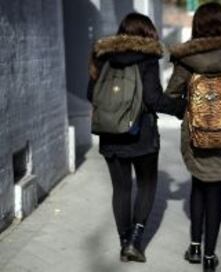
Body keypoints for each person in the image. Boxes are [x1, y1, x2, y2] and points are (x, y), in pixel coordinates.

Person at [87, 12, 186, 263]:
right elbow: (153, 99)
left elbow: (91, 94)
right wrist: (181, 108)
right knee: (147, 185)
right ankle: (134, 242)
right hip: (141, 134)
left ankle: (123, 243)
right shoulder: (147, 58)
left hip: (110, 134)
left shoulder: (103, 55)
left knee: (120, 189)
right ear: (147, 33)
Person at [165, 3, 221, 271]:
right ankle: (210, 257)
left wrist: (191, 114)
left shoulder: (186, 58)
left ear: (198, 25)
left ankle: (194, 248)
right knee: (215, 192)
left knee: (198, 187)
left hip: (194, 136)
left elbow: (171, 95)